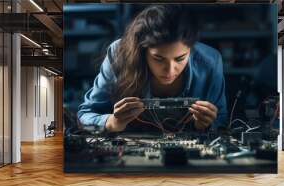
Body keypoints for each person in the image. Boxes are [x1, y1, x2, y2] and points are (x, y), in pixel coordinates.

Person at [78, 4, 228, 133]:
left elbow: (221, 120)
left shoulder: (210, 61)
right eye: (158, 58)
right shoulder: (119, 54)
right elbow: (85, 115)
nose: (170, 71)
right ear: (142, 51)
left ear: (191, 49)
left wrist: (205, 124)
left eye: (180, 58)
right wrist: (112, 122)